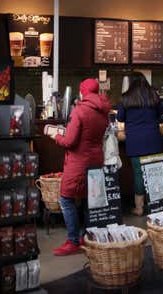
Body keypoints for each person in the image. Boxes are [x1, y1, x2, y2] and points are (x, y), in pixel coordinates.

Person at [47, 78, 110, 256]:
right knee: (88, 201)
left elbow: (70, 141)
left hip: (78, 163)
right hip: (96, 161)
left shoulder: (80, 111)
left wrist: (55, 135)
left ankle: (73, 241)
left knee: (66, 199)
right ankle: (88, 236)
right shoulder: (103, 111)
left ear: (83, 92)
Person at [117, 72, 163, 216]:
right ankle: (157, 205)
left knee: (139, 174)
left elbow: (120, 117)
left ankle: (139, 208)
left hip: (135, 141)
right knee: (154, 172)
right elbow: (160, 114)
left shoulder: (125, 98)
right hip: (153, 139)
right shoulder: (154, 96)